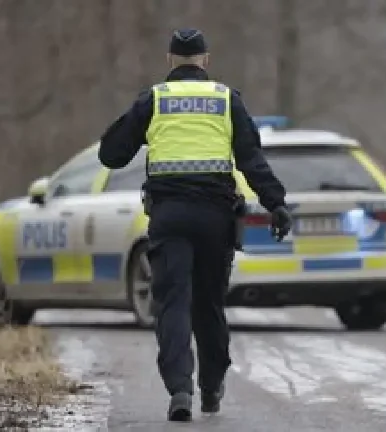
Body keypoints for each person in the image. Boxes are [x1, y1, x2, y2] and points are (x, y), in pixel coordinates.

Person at [98, 28, 292, 422]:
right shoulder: (226, 100)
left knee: (172, 303)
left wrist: (130, 123)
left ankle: (180, 389)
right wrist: (277, 204)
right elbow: (251, 160)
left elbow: (111, 156)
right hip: (215, 218)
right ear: (205, 60)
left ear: (170, 60)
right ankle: (211, 388)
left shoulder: (154, 99)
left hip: (169, 216)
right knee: (209, 305)